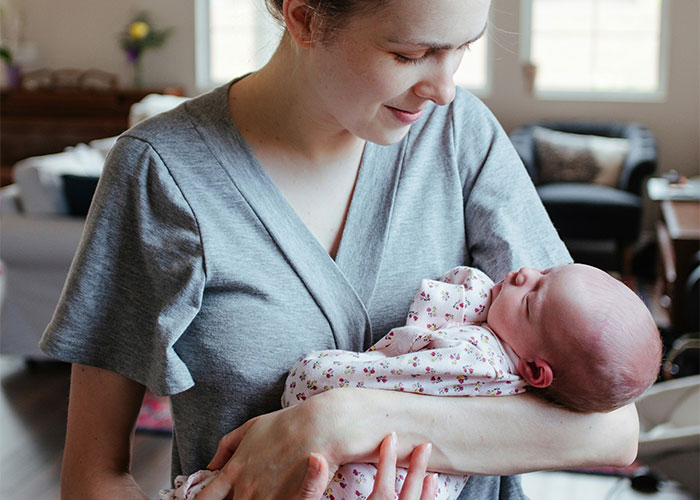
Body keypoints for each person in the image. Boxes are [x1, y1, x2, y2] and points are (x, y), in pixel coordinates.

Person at [39, 0, 641, 499]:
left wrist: (333, 421)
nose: (443, 89)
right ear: (303, 18)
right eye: (409, 54)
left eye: (462, 48)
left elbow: (610, 428)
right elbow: (92, 474)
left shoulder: (461, 139)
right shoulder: (163, 174)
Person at [160, 263, 661, 499]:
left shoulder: (473, 359)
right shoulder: (526, 343)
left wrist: (323, 408)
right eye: (544, 270)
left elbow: (616, 432)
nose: (524, 272)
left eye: (532, 297)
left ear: (536, 371)